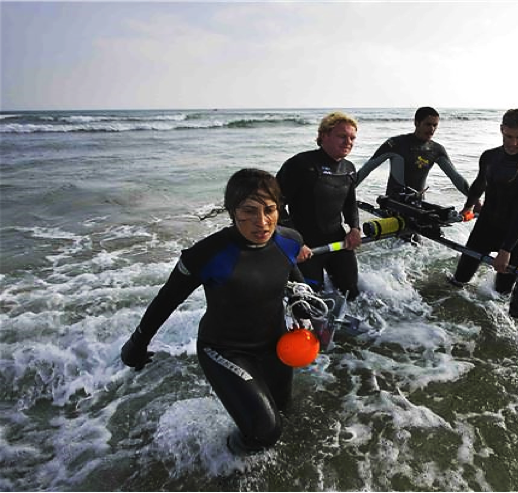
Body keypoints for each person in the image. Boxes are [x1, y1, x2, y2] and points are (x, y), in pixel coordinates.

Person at [120, 168, 308, 454]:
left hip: (275, 345)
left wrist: (304, 312)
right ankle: (229, 458)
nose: (262, 222)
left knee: (282, 412)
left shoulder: (289, 240)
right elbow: (166, 300)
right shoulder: (207, 254)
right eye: (249, 211)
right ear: (232, 211)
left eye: (270, 210)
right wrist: (137, 343)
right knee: (264, 432)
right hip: (225, 349)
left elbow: (291, 273)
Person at [449, 107, 518, 294]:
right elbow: (480, 183)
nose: (514, 143)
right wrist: (469, 206)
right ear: (502, 129)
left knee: (502, 293)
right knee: (459, 280)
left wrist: (506, 249)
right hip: (485, 225)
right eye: (509, 136)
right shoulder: (489, 156)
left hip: (515, 234)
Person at [276, 111, 362, 300]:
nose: (348, 141)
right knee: (311, 301)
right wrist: (295, 243)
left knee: (351, 293)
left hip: (338, 243)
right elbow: (275, 205)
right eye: (342, 136)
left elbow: (349, 203)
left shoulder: (349, 168)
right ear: (324, 136)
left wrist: (354, 228)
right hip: (306, 248)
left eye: (352, 137)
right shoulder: (300, 164)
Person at [355, 106, 471, 200]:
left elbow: (455, 177)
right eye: (428, 124)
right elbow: (367, 168)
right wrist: (346, 194)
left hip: (419, 205)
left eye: (435, 125)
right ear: (416, 123)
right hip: (394, 204)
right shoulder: (396, 144)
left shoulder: (437, 149)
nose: (432, 129)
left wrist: (474, 200)